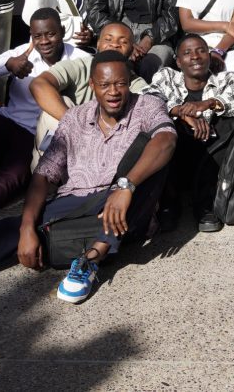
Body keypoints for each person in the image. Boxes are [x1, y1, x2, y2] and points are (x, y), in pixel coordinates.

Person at [18, 51, 176, 303]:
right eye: (104, 85)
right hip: (76, 203)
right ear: (93, 85)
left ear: (129, 81)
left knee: (151, 152)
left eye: (120, 83)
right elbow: (44, 175)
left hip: (126, 201)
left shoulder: (147, 105)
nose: (113, 91)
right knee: (4, 237)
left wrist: (126, 186)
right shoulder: (74, 117)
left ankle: (91, 257)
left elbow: (167, 140)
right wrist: (26, 228)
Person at [0, 8, 85, 236]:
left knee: (14, 176)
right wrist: (7, 66)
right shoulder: (23, 53)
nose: (44, 41)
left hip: (37, 139)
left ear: (62, 32)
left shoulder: (81, 59)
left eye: (50, 34)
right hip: (9, 124)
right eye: (37, 36)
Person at [144, 34, 234, 232]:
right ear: (178, 61)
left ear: (209, 57)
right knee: (161, 126)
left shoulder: (226, 78)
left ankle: (206, 202)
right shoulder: (166, 76)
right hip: (178, 159)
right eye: (187, 53)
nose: (195, 56)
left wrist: (209, 104)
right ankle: (169, 202)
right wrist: (180, 112)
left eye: (201, 51)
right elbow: (147, 101)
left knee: (231, 124)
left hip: (213, 159)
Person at [28, 21, 150, 167]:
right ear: (98, 43)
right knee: (56, 108)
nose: (115, 45)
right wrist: (77, 124)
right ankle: (46, 182)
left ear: (132, 49)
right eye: (108, 39)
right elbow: (38, 85)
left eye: (123, 42)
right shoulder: (81, 65)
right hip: (68, 144)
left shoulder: (137, 84)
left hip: (105, 156)